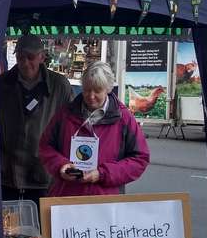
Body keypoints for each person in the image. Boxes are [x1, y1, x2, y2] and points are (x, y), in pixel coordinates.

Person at [39, 61, 150, 196]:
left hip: (104, 202)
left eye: (97, 91)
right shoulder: (65, 114)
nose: (91, 96)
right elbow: (46, 146)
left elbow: (140, 158)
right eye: (86, 90)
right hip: (66, 197)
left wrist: (102, 174)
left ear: (108, 89)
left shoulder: (123, 118)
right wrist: (61, 165)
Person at [0, 34, 72, 206]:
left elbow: (70, 126)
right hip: (8, 173)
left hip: (44, 173)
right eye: (20, 57)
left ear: (42, 57)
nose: (25, 63)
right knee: (9, 229)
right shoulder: (2, 83)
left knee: (42, 229)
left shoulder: (59, 85)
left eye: (30, 57)